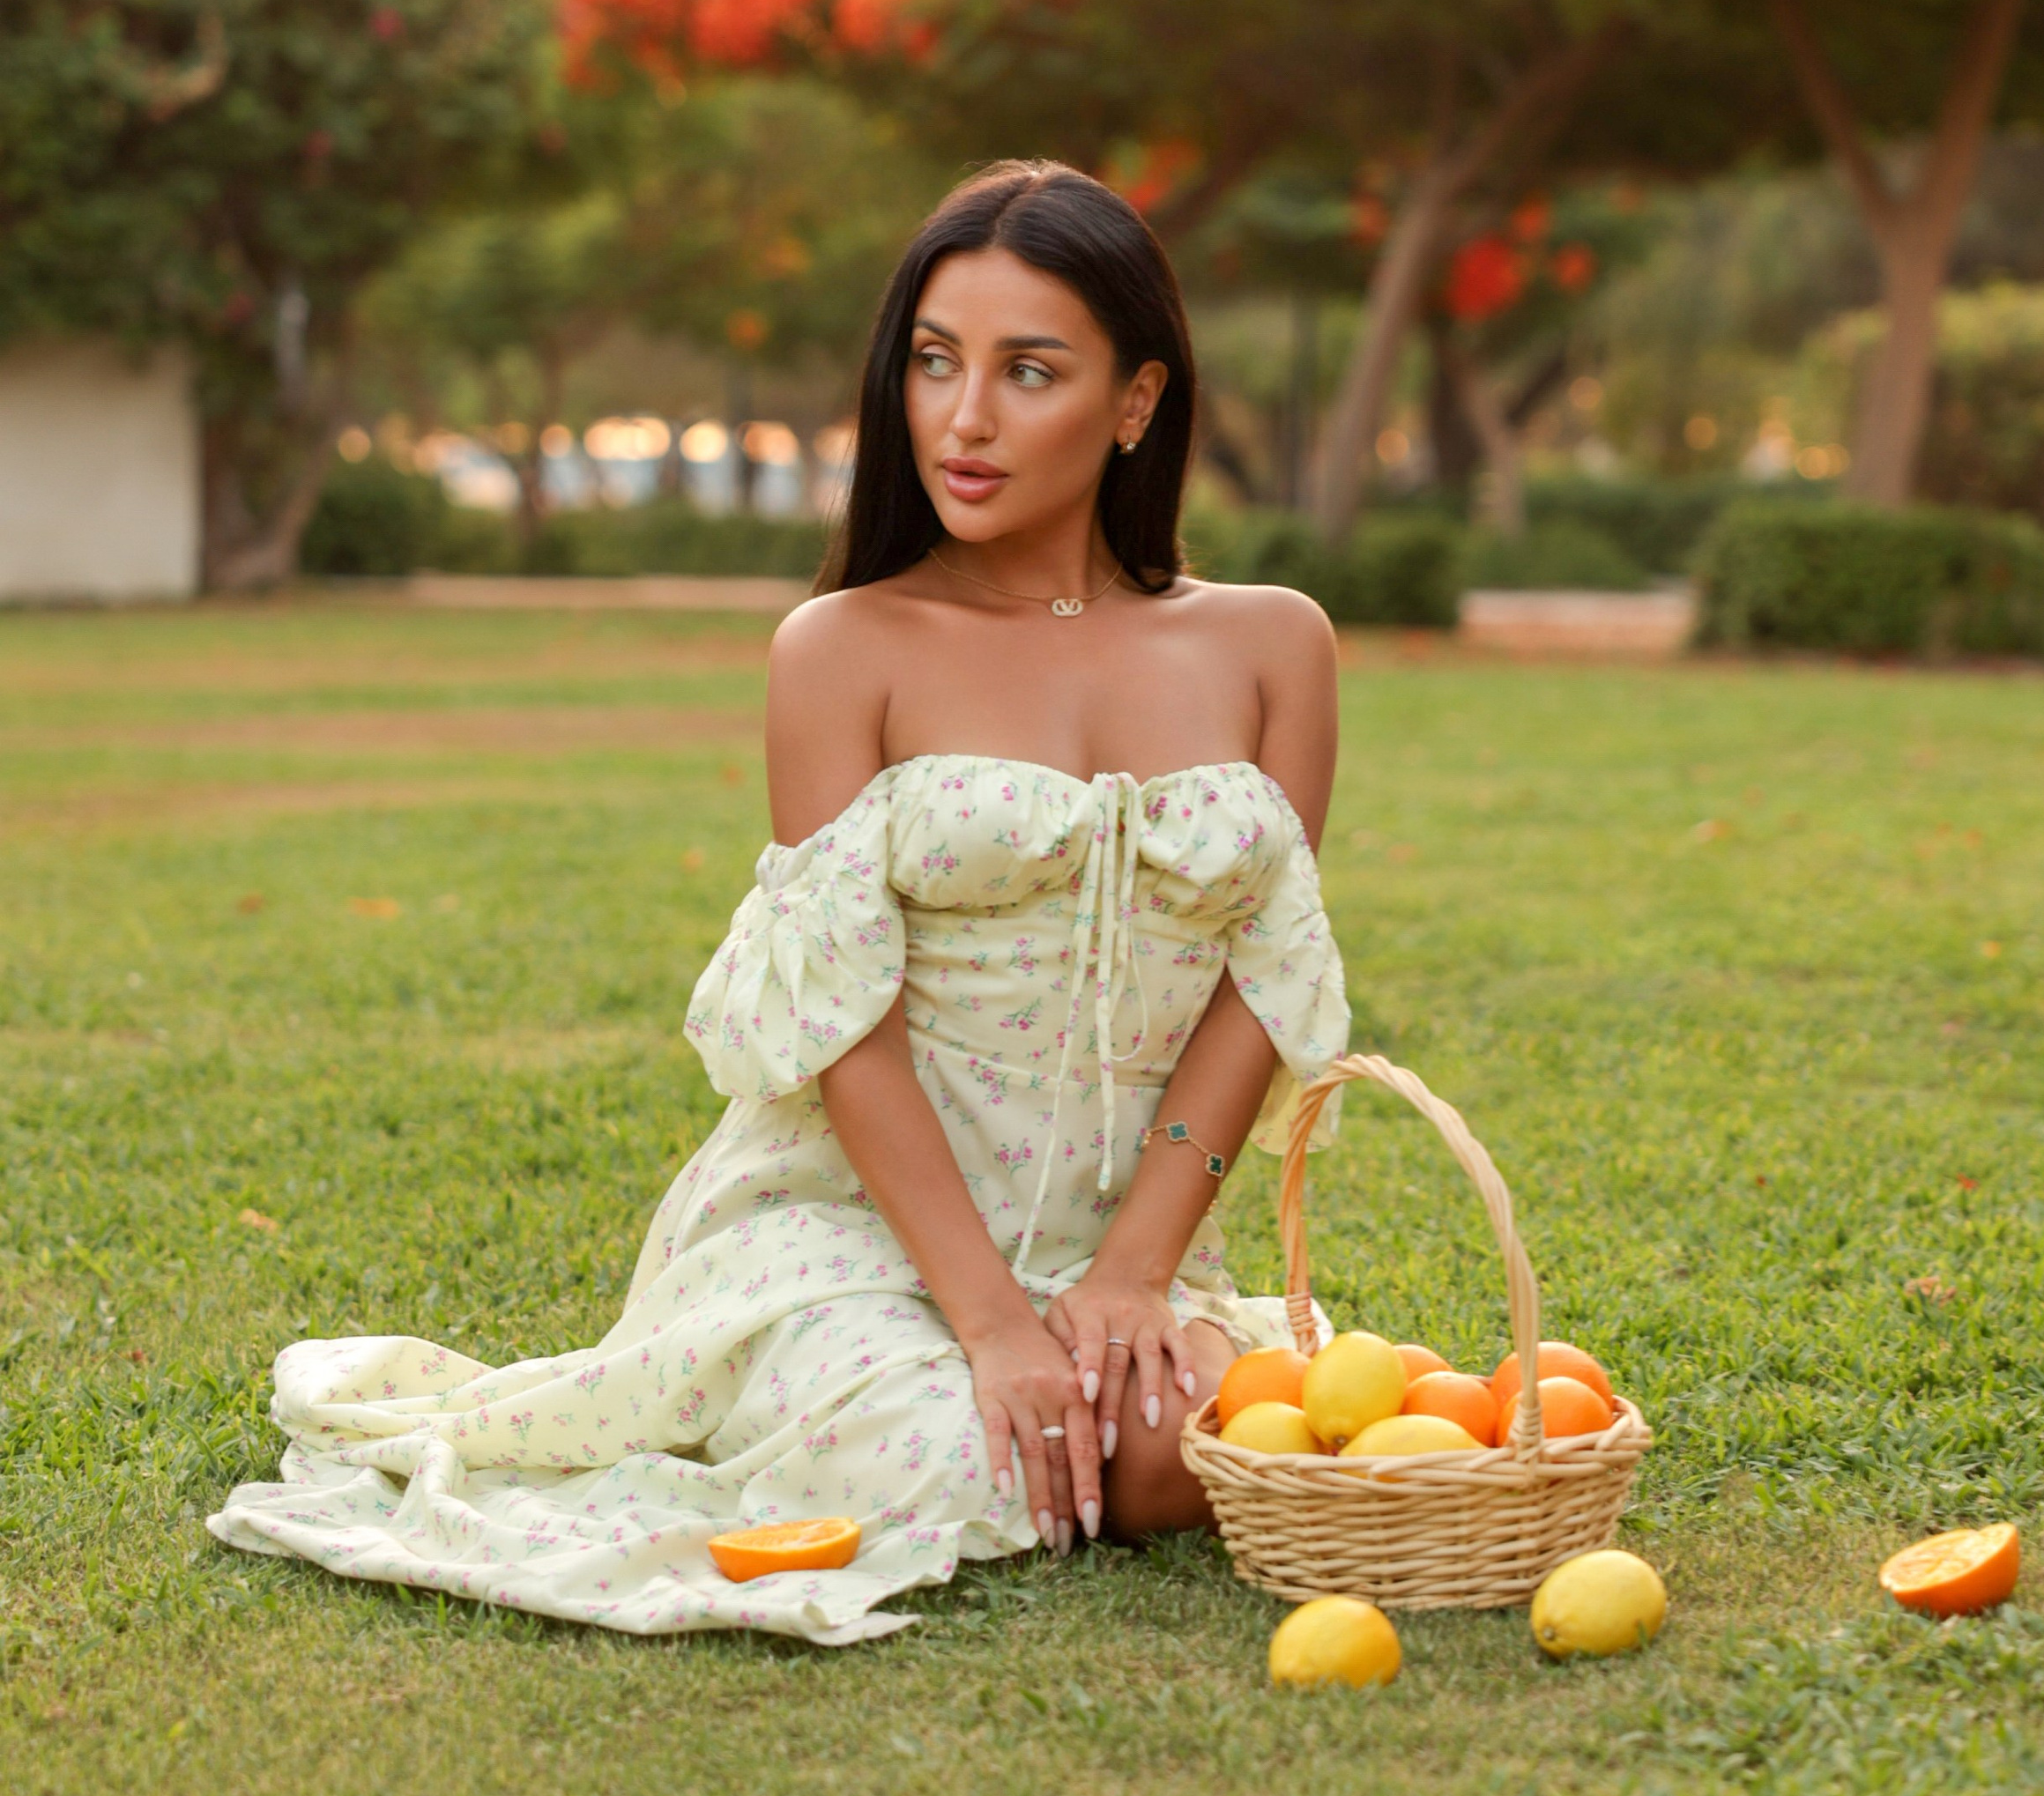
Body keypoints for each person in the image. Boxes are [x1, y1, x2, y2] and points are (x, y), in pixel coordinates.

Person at [209, 162, 1348, 1642]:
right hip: (848, 1231)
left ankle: (1114, 1327)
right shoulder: (842, 647)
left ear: (1136, 402)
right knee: (989, 1458)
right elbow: (838, 1023)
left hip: (1122, 1229)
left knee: (1205, 1445)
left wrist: (1132, 1275)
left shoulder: (1275, 648)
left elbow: (1262, 986)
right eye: (935, 363)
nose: (967, 418)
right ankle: (865, 1373)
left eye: (1030, 371)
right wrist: (995, 1325)